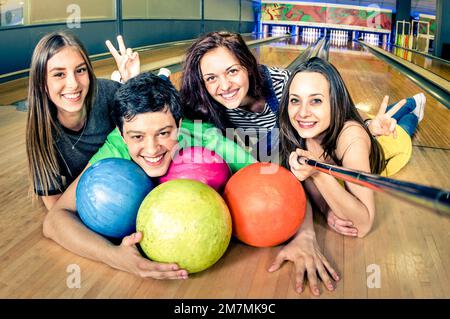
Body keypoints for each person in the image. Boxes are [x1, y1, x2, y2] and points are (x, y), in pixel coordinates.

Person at [43, 72, 255, 280]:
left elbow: (272, 190)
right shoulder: (117, 146)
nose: (152, 149)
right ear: (121, 132)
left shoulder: (209, 142)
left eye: (163, 133)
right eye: (137, 136)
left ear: (179, 126)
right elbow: (54, 220)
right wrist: (114, 256)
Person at [179, 31, 421, 161]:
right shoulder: (204, 101)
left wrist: (368, 127)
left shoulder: (284, 85)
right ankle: (410, 108)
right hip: (295, 163)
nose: (225, 86)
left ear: (247, 66)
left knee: (398, 137)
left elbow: (335, 126)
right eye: (211, 78)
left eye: (232, 71)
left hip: (337, 149)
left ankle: (413, 107)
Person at [278, 57, 426, 238]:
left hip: (393, 144)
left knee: (407, 122)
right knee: (384, 116)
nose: (302, 112)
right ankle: (391, 114)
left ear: (335, 103)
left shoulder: (352, 139)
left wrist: (317, 172)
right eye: (295, 100)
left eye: (315, 100)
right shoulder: (298, 130)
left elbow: (362, 225)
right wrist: (326, 210)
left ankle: (414, 105)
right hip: (368, 127)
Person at [26, 32, 139, 210]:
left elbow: (147, 129)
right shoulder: (42, 133)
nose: (73, 84)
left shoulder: (108, 93)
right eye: (59, 74)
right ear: (41, 83)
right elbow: (55, 206)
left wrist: (132, 82)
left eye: (80, 70)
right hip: (91, 197)